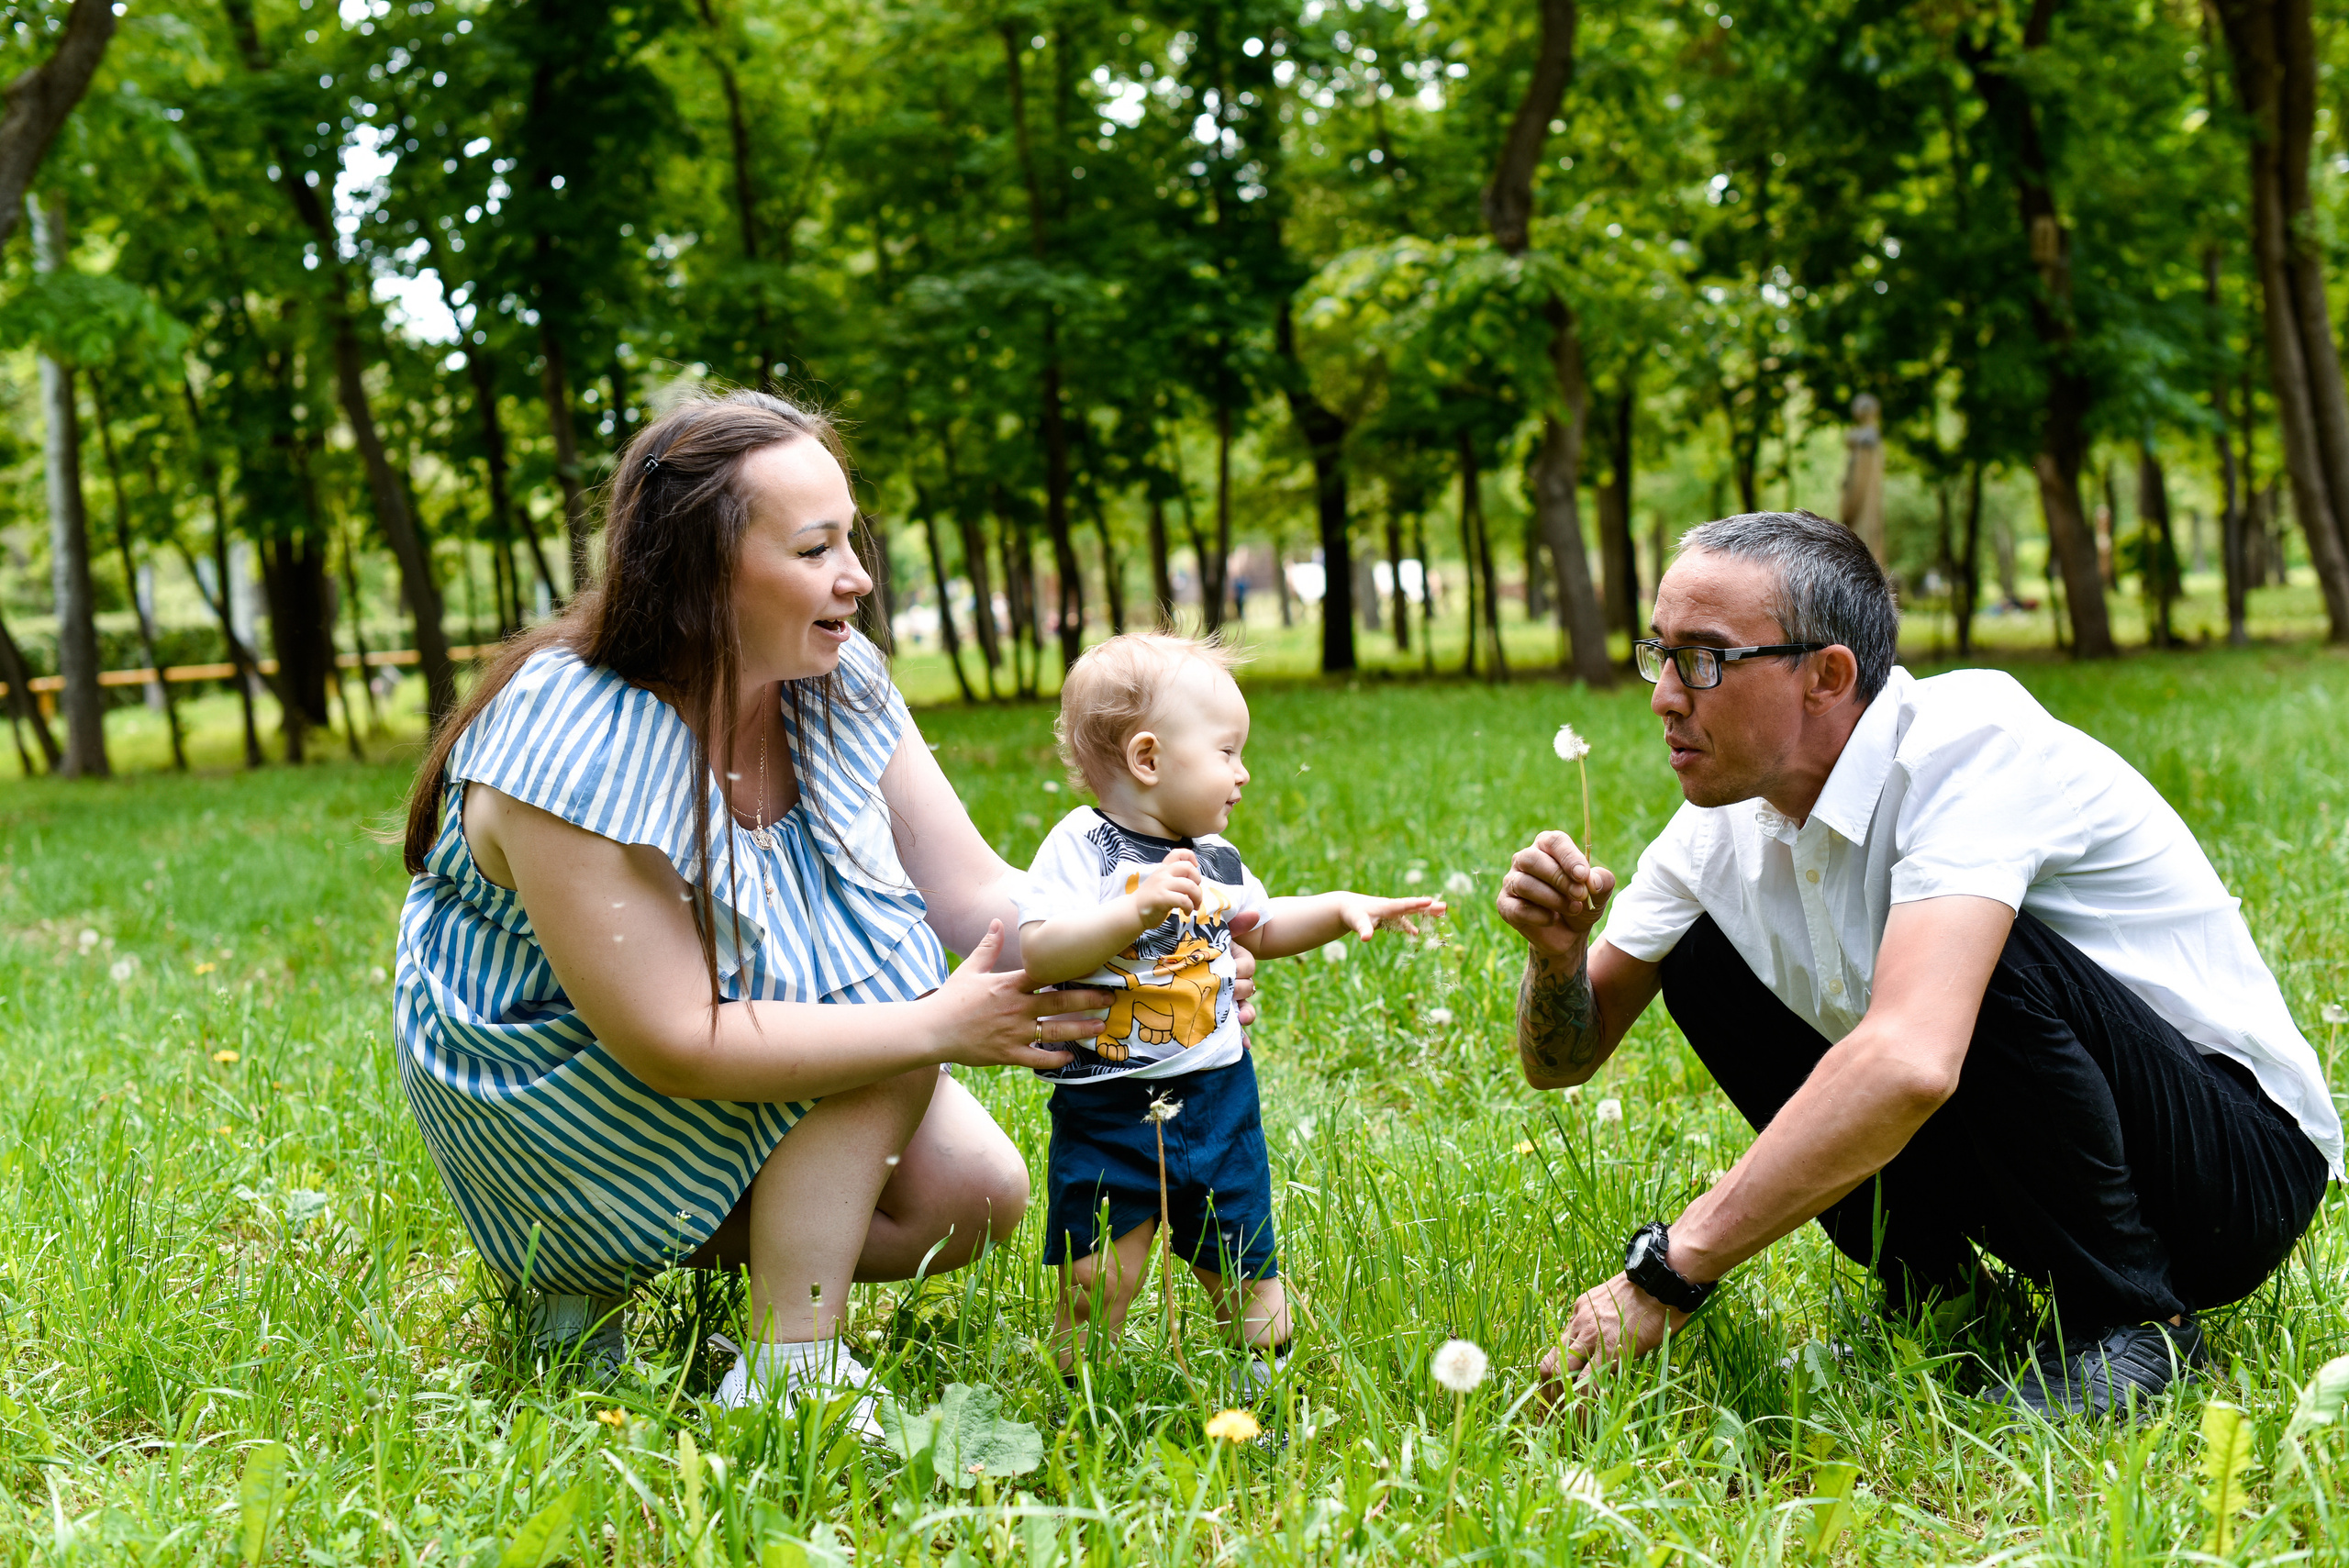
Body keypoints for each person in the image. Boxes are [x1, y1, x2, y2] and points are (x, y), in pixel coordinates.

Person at [393, 392, 1257, 1413]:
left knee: (971, 1194)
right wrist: (935, 1025)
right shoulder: (573, 736)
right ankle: (747, 1346)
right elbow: (673, 1040)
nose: (857, 577)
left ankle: (714, 1270)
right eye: (814, 549)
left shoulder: (834, 681)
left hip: (720, 1019)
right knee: (892, 1016)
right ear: (698, 573)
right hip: (550, 1082)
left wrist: (1153, 950)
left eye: (851, 538)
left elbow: (979, 895)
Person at [1497, 510, 2338, 1419]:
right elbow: (1563, 1060)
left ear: (1827, 675)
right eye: (1658, 653)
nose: (1665, 695)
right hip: (2037, 1166)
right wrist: (1557, 958)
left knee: (1967, 964)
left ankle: (2130, 1316)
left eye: (1702, 659)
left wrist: (1673, 1266)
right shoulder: (1719, 828)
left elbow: (1910, 1060)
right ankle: (1939, 1294)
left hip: (2231, 1165)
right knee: (1699, 956)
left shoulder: (1970, 745)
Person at [1015, 632, 1436, 1383]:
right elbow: (1041, 951)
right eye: (1227, 751)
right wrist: (1133, 914)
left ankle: (1266, 1401)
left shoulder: (1215, 856)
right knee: (1095, 1281)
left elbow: (1261, 927)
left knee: (1248, 1269)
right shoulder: (1082, 845)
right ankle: (1076, 1405)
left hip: (1217, 1102)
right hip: (1107, 1109)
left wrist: (1341, 906)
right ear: (1148, 758)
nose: (1243, 773)